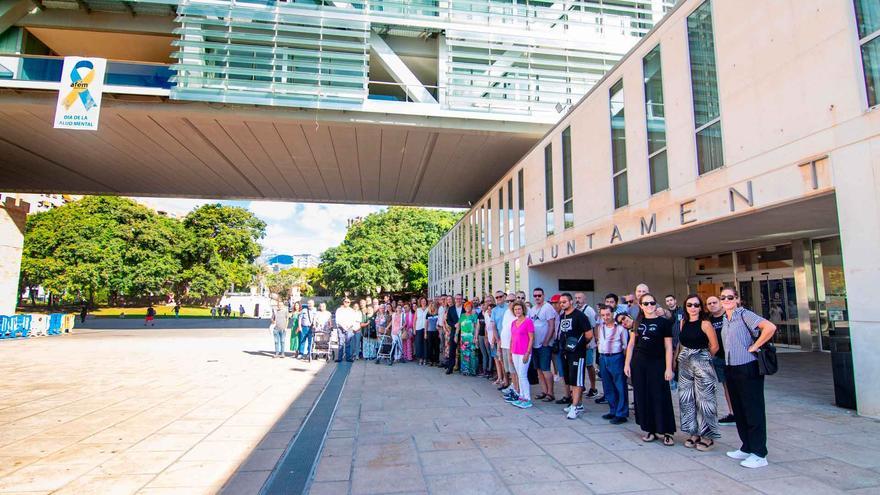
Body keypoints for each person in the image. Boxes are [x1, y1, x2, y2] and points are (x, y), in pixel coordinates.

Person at [719, 287, 777, 469]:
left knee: (753, 410)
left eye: (730, 297)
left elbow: (770, 327)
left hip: (748, 367)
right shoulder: (725, 319)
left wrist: (755, 346)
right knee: (740, 410)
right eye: (723, 297)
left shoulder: (745, 315)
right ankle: (747, 446)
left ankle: (759, 453)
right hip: (731, 368)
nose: (726, 300)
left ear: (737, 299)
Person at [624, 293, 676, 446]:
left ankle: (667, 431)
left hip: (658, 363)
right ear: (640, 306)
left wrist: (669, 368)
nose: (649, 306)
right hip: (640, 363)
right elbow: (632, 344)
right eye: (645, 304)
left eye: (652, 303)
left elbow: (668, 347)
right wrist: (627, 364)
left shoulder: (664, 323)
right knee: (643, 396)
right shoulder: (637, 322)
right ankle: (650, 429)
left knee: (660, 395)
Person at [676, 294, 720, 451]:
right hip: (685, 362)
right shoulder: (683, 322)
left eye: (696, 305)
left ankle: (707, 436)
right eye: (689, 305)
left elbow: (714, 346)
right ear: (685, 307)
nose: (693, 308)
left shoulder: (705, 323)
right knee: (687, 399)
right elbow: (681, 343)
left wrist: (704, 359)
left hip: (701, 361)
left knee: (705, 400)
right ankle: (693, 432)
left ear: (701, 307)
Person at [558, 293, 592, 419]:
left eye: (565, 301)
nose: (562, 304)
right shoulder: (563, 316)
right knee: (570, 379)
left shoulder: (580, 315)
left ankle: (574, 406)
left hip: (577, 353)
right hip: (565, 352)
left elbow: (589, 334)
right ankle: (578, 403)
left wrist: (580, 345)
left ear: (571, 302)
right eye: (561, 302)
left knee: (577, 380)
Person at [706, 295, 736, 425]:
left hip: (735, 358)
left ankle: (744, 412)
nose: (712, 305)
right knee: (727, 387)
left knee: (739, 386)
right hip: (719, 358)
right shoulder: (708, 320)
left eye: (714, 302)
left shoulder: (731, 315)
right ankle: (733, 413)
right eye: (709, 303)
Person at [598, 308, 629, 424]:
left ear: (613, 314)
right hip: (603, 357)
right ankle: (613, 410)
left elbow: (625, 346)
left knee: (620, 385)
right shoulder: (601, 327)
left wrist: (625, 362)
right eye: (603, 315)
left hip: (616, 357)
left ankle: (621, 413)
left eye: (607, 314)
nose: (605, 317)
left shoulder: (620, 328)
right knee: (608, 385)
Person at [529, 288, 557, 403]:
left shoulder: (548, 308)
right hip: (534, 344)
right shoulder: (532, 309)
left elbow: (551, 325)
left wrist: (546, 341)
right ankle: (544, 391)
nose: (537, 297)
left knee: (546, 369)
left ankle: (551, 393)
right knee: (539, 370)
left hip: (544, 344)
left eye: (539, 295)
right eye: (535, 295)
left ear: (543, 295)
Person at [505, 301, 535, 409]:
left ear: (523, 310)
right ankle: (521, 397)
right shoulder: (514, 323)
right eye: (515, 309)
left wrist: (527, 352)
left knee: (522, 375)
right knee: (519, 375)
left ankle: (527, 398)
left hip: (524, 353)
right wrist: (510, 353)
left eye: (519, 309)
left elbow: (531, 338)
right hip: (515, 352)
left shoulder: (528, 322)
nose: (517, 311)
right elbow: (512, 339)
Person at [574, 292, 598, 399]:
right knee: (580, 365)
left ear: (585, 299)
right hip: (578, 343)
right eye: (576, 298)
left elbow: (594, 327)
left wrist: (591, 341)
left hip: (588, 343)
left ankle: (593, 387)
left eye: (579, 298)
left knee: (589, 365)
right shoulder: (575, 310)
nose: (577, 300)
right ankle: (581, 386)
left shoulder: (589, 310)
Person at [491, 291, 510, 390]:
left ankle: (514, 384)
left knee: (511, 362)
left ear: (504, 297)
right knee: (502, 361)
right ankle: (505, 382)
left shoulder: (510, 307)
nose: (498, 298)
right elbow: (493, 325)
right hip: (500, 339)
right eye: (497, 297)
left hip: (510, 338)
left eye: (500, 296)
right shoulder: (494, 310)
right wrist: (497, 339)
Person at [457, 301, 479, 375]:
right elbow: (459, 326)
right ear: (464, 307)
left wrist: (475, 337)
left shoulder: (474, 315)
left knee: (472, 354)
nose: (468, 308)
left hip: (471, 337)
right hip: (463, 338)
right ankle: (465, 370)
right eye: (466, 307)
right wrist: (456, 335)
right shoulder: (462, 315)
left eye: (469, 307)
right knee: (464, 354)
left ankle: (473, 371)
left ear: (471, 307)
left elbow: (476, 327)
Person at [445, 294, 464, 375]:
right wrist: (454, 325)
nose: (458, 300)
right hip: (454, 331)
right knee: (452, 349)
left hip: (464, 332)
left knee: (464, 349)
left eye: (460, 299)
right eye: (457, 299)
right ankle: (450, 367)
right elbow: (448, 320)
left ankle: (462, 367)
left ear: (462, 299)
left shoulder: (465, 308)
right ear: (455, 299)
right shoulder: (451, 309)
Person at [335, 297, 358, 363]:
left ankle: (348, 358)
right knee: (341, 343)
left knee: (348, 344)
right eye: (345, 301)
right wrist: (343, 327)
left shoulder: (351, 310)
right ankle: (339, 358)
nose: (347, 303)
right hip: (340, 328)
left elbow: (353, 320)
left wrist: (348, 326)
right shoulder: (339, 310)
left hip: (349, 328)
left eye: (348, 302)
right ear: (343, 302)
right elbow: (338, 320)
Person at [478, 300, 493, 377]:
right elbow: (478, 326)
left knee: (489, 354)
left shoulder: (489, 313)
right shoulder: (480, 314)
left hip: (487, 336)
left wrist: (487, 337)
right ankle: (484, 370)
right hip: (481, 336)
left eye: (484, 305)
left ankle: (489, 370)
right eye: (481, 305)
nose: (483, 306)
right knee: (484, 354)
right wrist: (476, 336)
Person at [415, 297, 428, 365]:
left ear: (426, 302)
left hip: (426, 329)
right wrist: (414, 329)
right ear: (420, 302)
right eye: (422, 301)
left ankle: (425, 358)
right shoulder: (418, 309)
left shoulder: (428, 309)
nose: (423, 302)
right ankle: (420, 358)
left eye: (424, 301)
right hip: (418, 328)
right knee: (419, 344)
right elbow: (415, 320)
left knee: (425, 344)